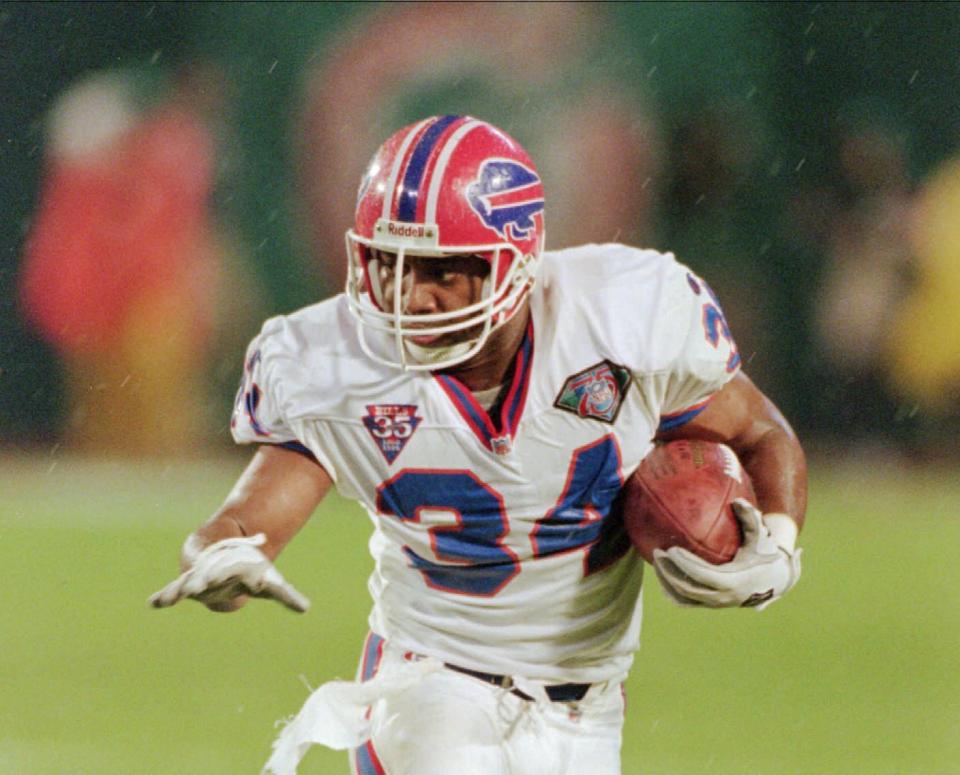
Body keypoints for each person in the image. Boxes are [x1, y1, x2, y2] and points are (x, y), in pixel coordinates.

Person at [150, 116, 807, 775]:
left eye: (440, 270)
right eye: (388, 263)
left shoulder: (619, 315)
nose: (411, 297)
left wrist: (775, 547)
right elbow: (242, 524)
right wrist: (221, 558)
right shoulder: (335, 362)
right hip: (428, 687)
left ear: (516, 264)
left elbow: (757, 431)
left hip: (589, 706)